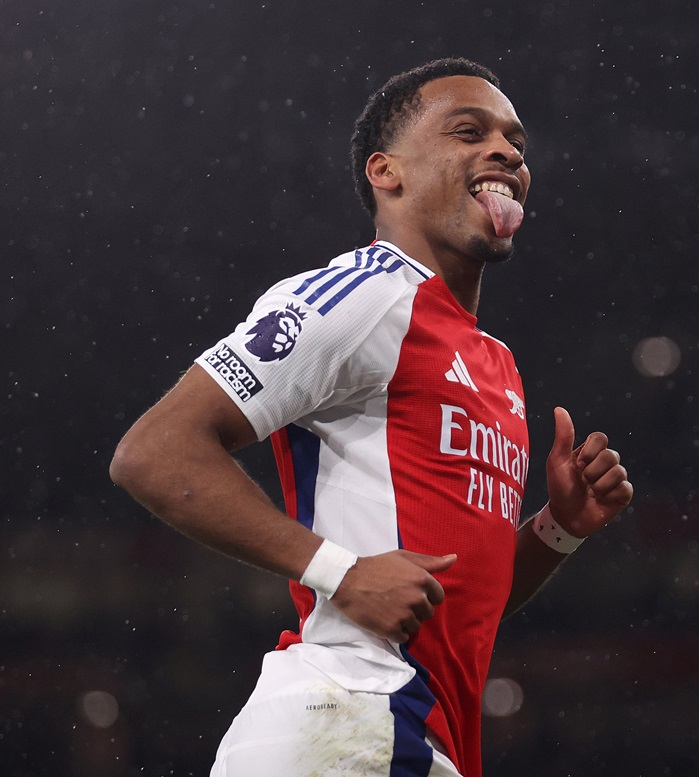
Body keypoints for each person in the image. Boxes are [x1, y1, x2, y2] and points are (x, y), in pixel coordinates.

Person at [109, 58, 633, 777]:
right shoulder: (363, 293)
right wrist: (340, 571)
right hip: (349, 714)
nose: (507, 153)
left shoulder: (497, 364)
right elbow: (155, 451)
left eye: (516, 142)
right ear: (387, 172)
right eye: (468, 131)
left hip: (405, 731)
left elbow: (451, 602)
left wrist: (558, 529)